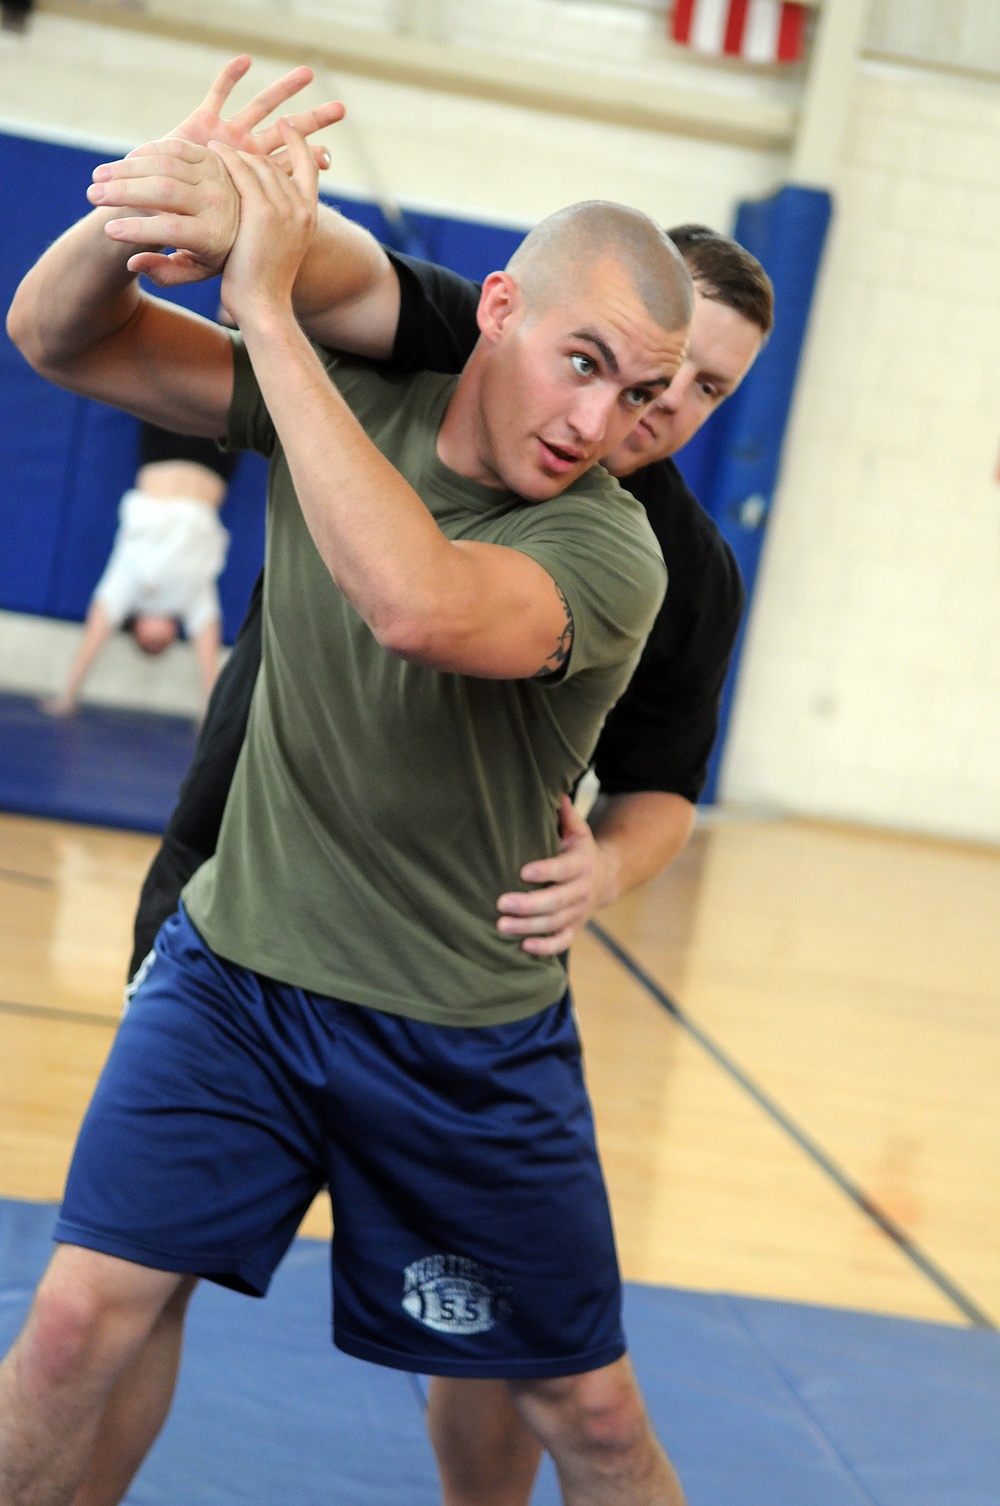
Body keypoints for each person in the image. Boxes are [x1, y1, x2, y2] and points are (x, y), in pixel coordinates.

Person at [3, 70, 695, 1506]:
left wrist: (264, 302)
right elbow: (55, 336)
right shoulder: (364, 389)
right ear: (498, 308)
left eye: (636, 395)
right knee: (74, 1324)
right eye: (583, 360)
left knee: (595, 1416)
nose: (600, 418)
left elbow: (421, 606)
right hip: (235, 982)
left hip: (461, 1040)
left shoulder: (615, 553)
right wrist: (153, 192)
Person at [43, 421, 234, 718]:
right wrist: (210, 720)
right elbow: (209, 660)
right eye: (163, 647)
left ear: (135, 626)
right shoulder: (192, 599)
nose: (156, 645)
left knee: (171, 381)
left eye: (147, 646)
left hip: (162, 455)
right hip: (214, 463)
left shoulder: (125, 586)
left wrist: (67, 696)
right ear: (174, 632)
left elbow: (93, 635)